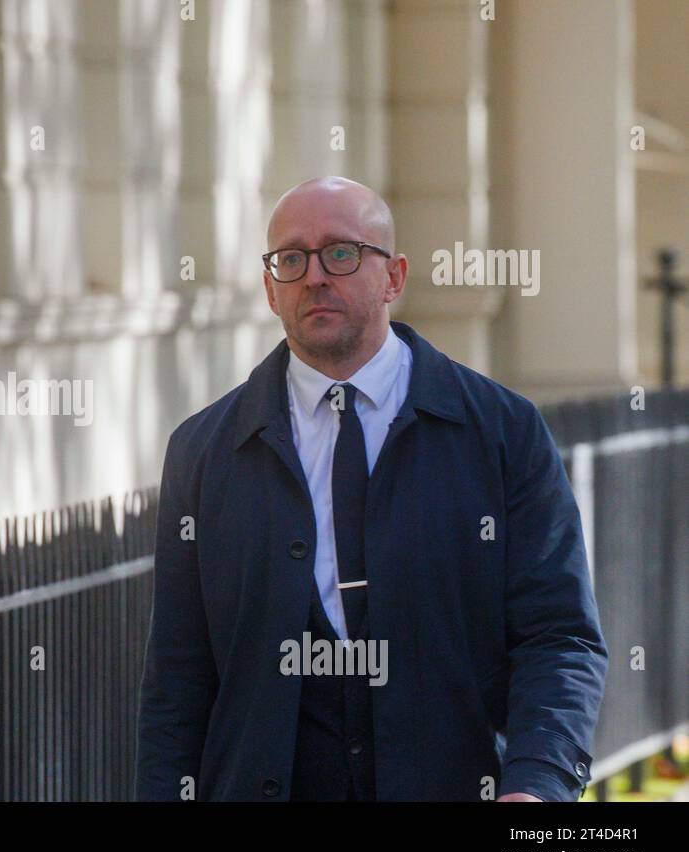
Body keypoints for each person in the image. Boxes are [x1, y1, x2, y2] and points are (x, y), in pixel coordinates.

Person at [135, 176, 607, 802]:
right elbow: (178, 677)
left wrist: (539, 783)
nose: (314, 276)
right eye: (291, 258)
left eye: (341, 252)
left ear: (394, 277)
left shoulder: (501, 432)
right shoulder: (204, 451)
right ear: (270, 289)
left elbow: (558, 636)